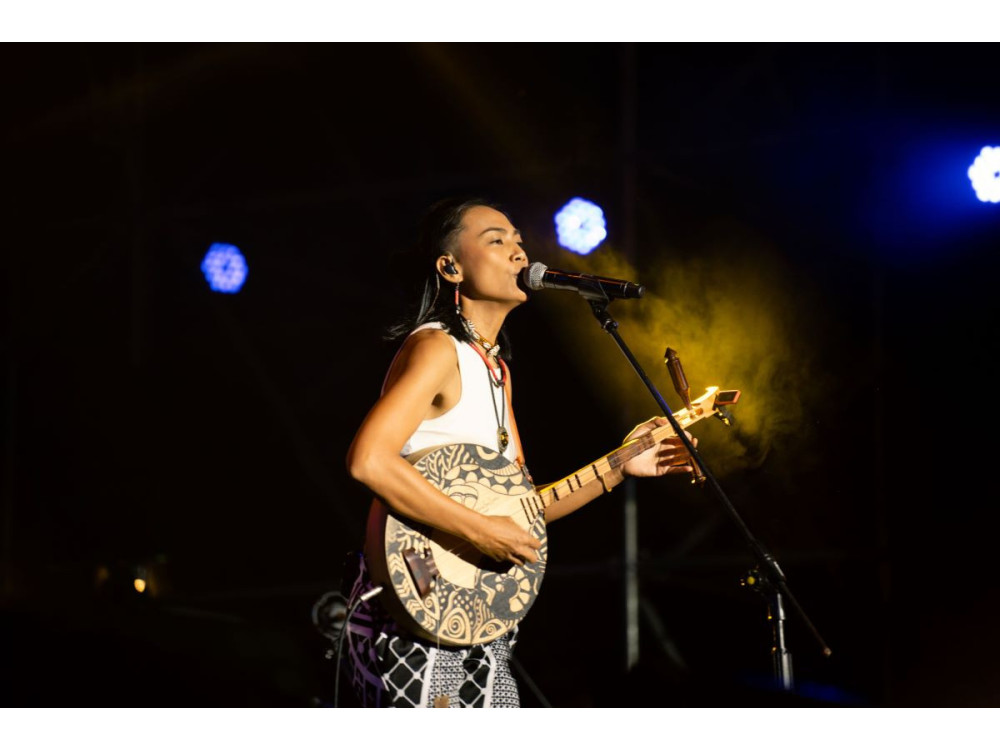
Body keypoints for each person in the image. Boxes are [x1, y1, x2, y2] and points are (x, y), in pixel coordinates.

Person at [343, 197, 696, 708]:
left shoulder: (496, 372)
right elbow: (369, 460)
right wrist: (479, 529)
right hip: (413, 603)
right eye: (496, 240)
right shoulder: (437, 348)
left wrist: (623, 463)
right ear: (450, 267)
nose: (519, 252)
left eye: (518, 241)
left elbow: (523, 511)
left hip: (471, 619)